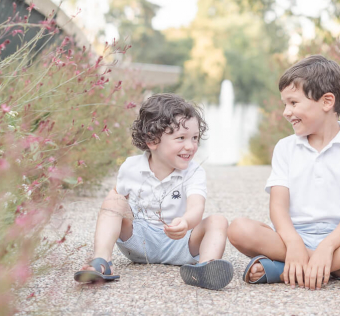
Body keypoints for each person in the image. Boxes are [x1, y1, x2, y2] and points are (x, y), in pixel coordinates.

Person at [227, 55, 340, 289]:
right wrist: (294, 243)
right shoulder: (285, 147)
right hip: (290, 238)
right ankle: (339, 269)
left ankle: (286, 269)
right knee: (239, 229)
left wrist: (328, 247)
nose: (286, 112)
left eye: (293, 103)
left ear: (327, 101)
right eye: (285, 104)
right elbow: (278, 207)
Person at [73, 93, 233, 290]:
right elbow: (112, 209)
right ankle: (102, 261)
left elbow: (196, 207)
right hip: (139, 241)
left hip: (180, 243)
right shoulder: (131, 167)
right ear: (152, 140)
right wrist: (119, 204)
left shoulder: (194, 172)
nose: (190, 146)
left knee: (218, 220)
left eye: (195, 138)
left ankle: (205, 268)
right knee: (114, 198)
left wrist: (185, 222)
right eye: (181, 138)